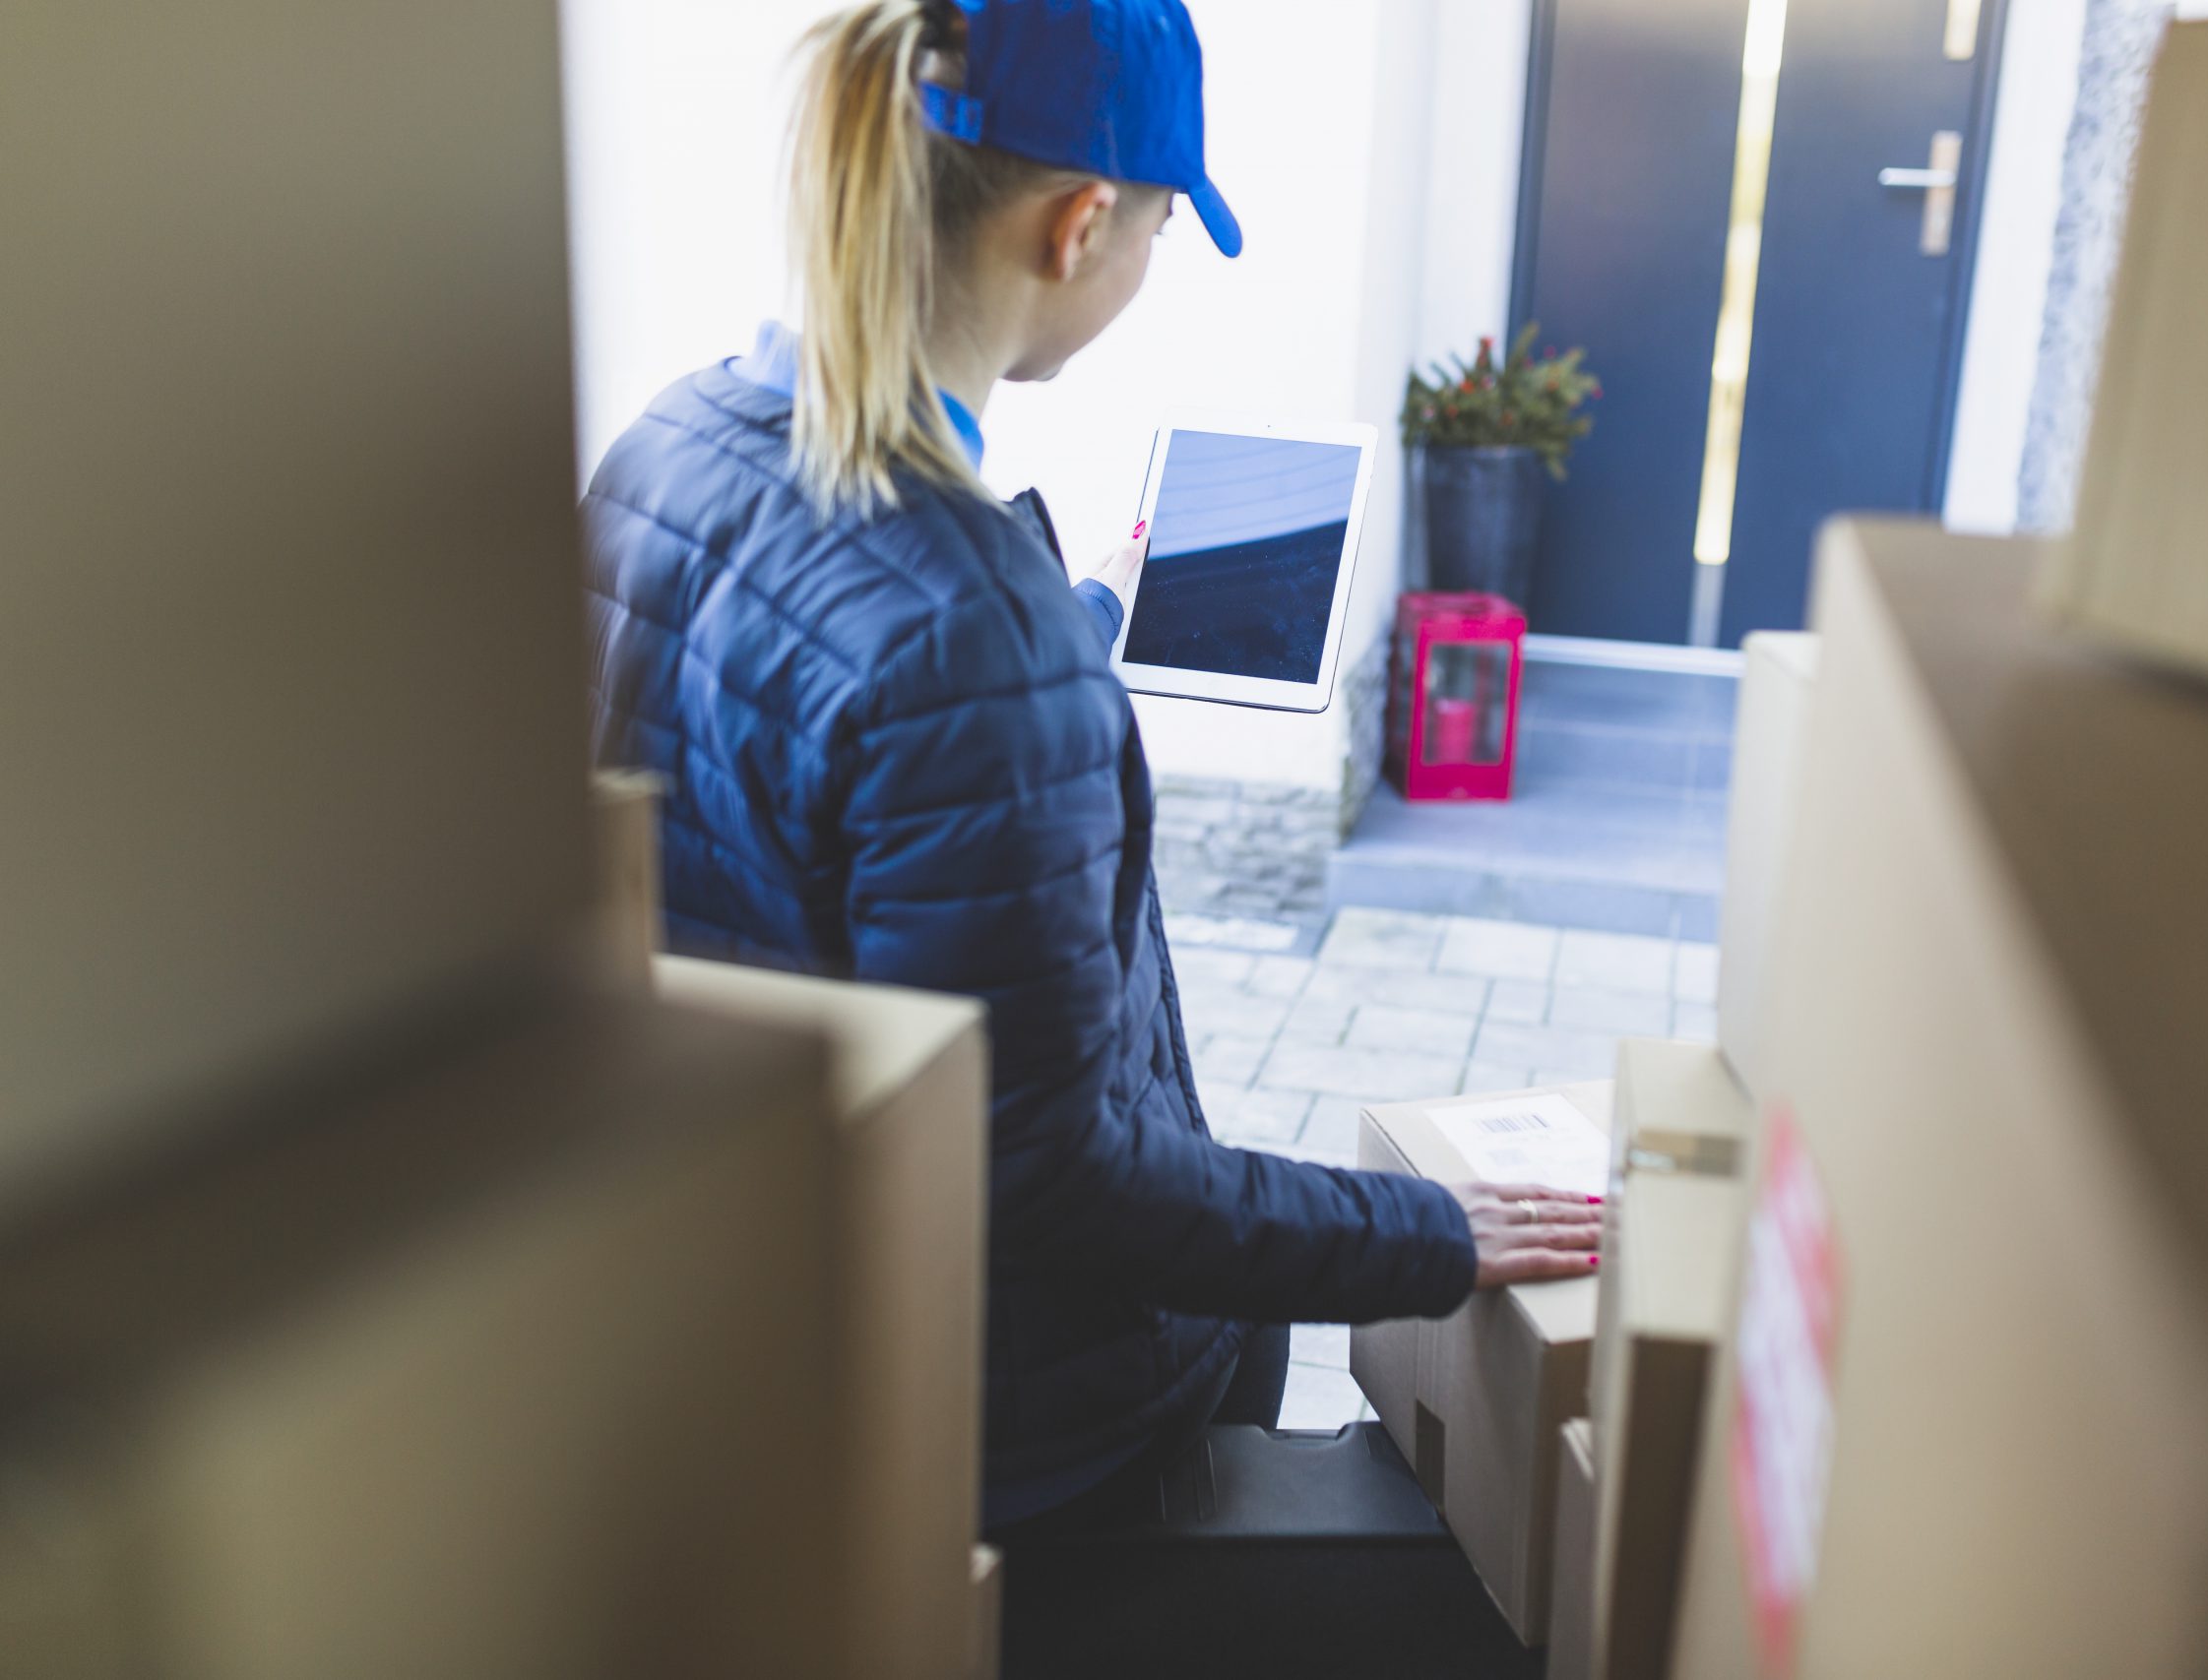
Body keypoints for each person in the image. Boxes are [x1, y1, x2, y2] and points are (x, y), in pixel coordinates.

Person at [582, 0, 1602, 1533]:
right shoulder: (974, 634)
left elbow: (805, 719)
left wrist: (1075, 612)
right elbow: (1067, 1181)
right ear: (1078, 226)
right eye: (1165, 230)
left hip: (756, 1319)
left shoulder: (671, 444)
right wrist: (1429, 1234)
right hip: (1011, 1420)